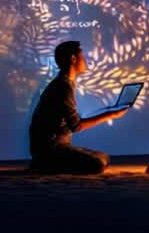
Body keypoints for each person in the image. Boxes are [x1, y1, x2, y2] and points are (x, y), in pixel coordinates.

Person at [28, 40, 128, 174]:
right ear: (73, 59)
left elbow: (73, 120)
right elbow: (76, 125)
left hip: (56, 147)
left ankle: (48, 163)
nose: (85, 61)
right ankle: (46, 164)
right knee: (98, 163)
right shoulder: (64, 86)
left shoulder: (62, 83)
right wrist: (111, 115)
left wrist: (109, 111)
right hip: (52, 149)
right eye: (83, 57)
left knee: (104, 157)